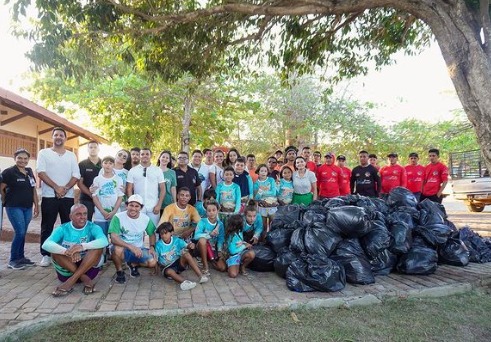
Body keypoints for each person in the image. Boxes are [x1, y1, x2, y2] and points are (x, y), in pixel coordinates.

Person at [42, 204, 108, 297]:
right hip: (67, 271)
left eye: (85, 214)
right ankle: (85, 279)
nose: (82, 217)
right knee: (55, 252)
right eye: (78, 214)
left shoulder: (92, 227)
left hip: (89, 270)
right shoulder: (63, 228)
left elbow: (104, 241)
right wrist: (67, 252)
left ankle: (70, 282)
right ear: (70, 216)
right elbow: (46, 244)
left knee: (97, 248)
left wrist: (82, 246)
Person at [37, 127, 81, 267]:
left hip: (67, 197)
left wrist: (65, 188)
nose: (58, 137)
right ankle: (46, 255)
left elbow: (76, 175)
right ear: (52, 137)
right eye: (56, 135)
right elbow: (41, 172)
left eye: (61, 135)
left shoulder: (71, 155)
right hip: (49, 196)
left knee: (68, 225)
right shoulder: (44, 153)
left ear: (65, 138)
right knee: (47, 225)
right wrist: (56, 188)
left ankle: (67, 252)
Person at [1, 148, 39, 269]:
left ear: (28, 159)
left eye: (25, 158)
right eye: (20, 158)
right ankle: (13, 260)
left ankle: (21, 258)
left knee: (23, 232)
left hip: (27, 207)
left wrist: (36, 205)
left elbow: (33, 189)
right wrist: (4, 199)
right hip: (14, 206)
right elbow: (1, 187)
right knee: (20, 232)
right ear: (15, 158)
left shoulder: (29, 171)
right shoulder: (9, 172)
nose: (23, 161)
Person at [109, 194, 158, 284]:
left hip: (139, 248)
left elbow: (152, 234)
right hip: (123, 248)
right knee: (116, 248)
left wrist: (152, 247)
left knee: (152, 262)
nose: (133, 208)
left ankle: (133, 264)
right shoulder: (118, 217)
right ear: (127, 205)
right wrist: (131, 247)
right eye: (131, 205)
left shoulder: (145, 219)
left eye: (137, 206)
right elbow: (113, 238)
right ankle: (120, 271)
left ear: (141, 208)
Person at [155, 222, 209, 291]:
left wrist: (190, 245)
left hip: (178, 263)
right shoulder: (158, 245)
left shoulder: (177, 240)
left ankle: (201, 276)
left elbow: (187, 245)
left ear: (171, 233)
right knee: (169, 272)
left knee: (186, 254)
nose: (163, 236)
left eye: (165, 233)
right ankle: (185, 282)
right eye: (161, 234)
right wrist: (156, 270)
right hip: (167, 267)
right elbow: (156, 259)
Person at [126, 147, 165, 226]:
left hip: (154, 205)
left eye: (147, 154)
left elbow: (163, 189)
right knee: (138, 229)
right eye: (142, 154)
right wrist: (133, 205)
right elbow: (129, 189)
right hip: (138, 206)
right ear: (140, 156)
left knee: (153, 230)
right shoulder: (133, 170)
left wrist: (159, 205)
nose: (145, 156)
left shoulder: (157, 170)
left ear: (151, 156)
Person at [91, 156, 124, 238]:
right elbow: (94, 196)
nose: (108, 165)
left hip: (115, 214)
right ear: (102, 165)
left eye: (110, 163)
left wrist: (114, 211)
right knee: (101, 238)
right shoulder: (97, 179)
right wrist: (102, 211)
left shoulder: (118, 179)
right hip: (100, 215)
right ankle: (103, 251)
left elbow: (120, 197)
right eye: (105, 163)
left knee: (115, 238)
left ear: (113, 165)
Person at [193, 200, 227, 275]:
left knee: (222, 268)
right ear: (206, 212)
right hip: (201, 247)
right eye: (209, 211)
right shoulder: (202, 221)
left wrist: (219, 250)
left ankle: (209, 260)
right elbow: (196, 236)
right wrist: (209, 235)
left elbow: (221, 238)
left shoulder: (220, 224)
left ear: (217, 211)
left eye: (214, 210)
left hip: (213, 249)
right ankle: (205, 266)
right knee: (202, 240)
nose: (211, 212)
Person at [78, 141, 101, 220]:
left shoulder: (104, 163)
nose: (93, 149)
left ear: (99, 149)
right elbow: (80, 183)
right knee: (85, 221)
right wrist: (91, 195)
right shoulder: (82, 164)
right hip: (86, 198)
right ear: (88, 149)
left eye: (95, 147)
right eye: (91, 147)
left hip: (102, 198)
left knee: (102, 221)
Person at [253, 164, 278, 233]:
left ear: (267, 172)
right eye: (261, 171)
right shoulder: (256, 184)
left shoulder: (271, 180)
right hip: (262, 207)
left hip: (272, 206)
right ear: (258, 172)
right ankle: (262, 240)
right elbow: (256, 198)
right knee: (263, 226)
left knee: (272, 224)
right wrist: (261, 191)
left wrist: (261, 191)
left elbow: (273, 193)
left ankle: (271, 240)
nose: (263, 172)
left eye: (265, 171)